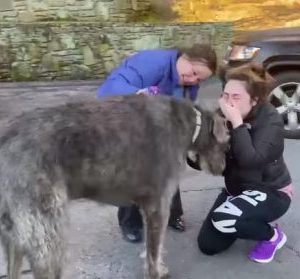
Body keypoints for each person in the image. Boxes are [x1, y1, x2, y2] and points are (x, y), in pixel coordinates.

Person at [97, 43, 217, 243]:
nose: (193, 80)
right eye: (194, 72)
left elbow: (186, 108)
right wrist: (138, 94)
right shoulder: (152, 62)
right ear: (185, 58)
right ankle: (130, 222)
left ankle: (172, 214)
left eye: (199, 79)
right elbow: (110, 87)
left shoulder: (189, 82)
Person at [197, 63, 294, 263]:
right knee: (208, 245)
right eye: (225, 95)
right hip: (237, 189)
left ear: (254, 99)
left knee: (226, 218)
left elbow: (251, 160)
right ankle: (242, 213)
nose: (228, 102)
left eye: (236, 97)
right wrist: (193, 150)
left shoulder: (270, 120)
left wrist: (237, 123)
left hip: (271, 191)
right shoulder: (220, 115)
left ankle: (273, 237)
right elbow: (206, 162)